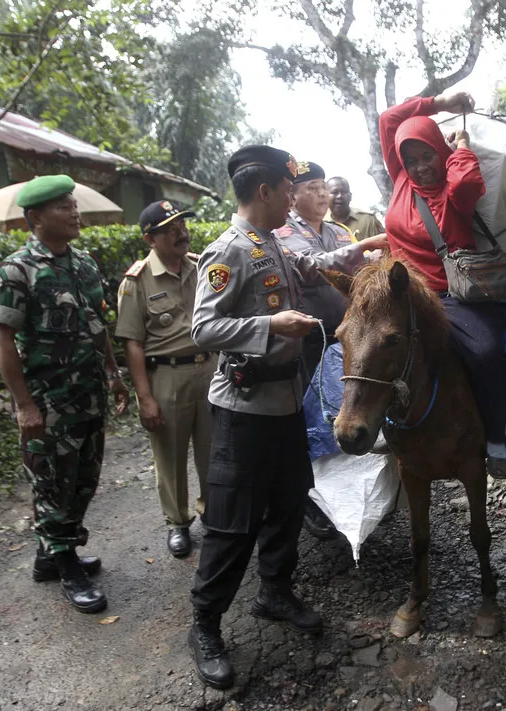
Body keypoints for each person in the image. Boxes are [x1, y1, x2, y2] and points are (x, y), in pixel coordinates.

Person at [187, 145, 387, 690]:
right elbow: (202, 329)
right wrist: (271, 325)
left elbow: (313, 266)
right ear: (266, 192)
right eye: (288, 188)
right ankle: (205, 623)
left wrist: (356, 254)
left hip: (285, 404)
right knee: (232, 521)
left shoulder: (273, 243)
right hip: (244, 410)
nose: (297, 198)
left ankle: (275, 592)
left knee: (289, 500)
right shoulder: (228, 250)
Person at [0, 174, 129, 613]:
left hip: (87, 395)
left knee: (84, 480)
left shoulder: (84, 263)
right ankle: (67, 566)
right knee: (52, 484)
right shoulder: (17, 270)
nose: (74, 212)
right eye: (62, 207)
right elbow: (1, 338)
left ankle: (51, 554)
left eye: (73, 204)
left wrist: (113, 371)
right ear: (35, 218)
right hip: (48, 403)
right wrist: (25, 404)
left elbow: (96, 322)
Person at [378, 91, 506, 479]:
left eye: (428, 157)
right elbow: (390, 118)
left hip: (448, 296)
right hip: (399, 291)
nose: (420, 167)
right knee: (355, 344)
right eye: (412, 159)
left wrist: (463, 146)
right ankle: (371, 425)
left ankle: (495, 439)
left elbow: (469, 182)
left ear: (441, 151)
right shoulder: (400, 178)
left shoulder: (455, 193)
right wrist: (441, 102)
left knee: (487, 353)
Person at [115, 200, 214, 558]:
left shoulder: (202, 265)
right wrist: (145, 397)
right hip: (167, 376)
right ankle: (177, 523)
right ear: (150, 239)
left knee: (212, 449)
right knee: (169, 455)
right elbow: (132, 343)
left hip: (208, 370)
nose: (181, 233)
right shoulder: (137, 281)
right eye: (170, 229)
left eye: (182, 225)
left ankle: (212, 512)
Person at [276, 161, 355, 540]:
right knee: (307, 417)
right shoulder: (283, 231)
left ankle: (344, 493)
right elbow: (310, 268)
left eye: (324, 186)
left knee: (342, 414)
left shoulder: (341, 232)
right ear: (292, 195)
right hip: (307, 343)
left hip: (344, 342)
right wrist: (366, 248)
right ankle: (311, 498)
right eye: (312, 187)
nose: (322, 194)